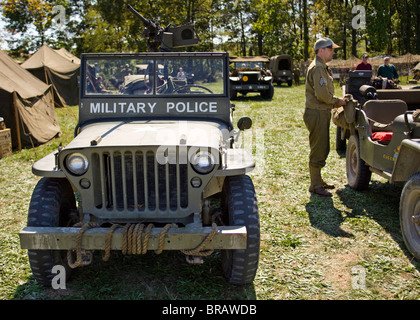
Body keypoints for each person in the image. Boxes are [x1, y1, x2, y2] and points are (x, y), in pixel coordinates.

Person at [303, 37, 346, 197]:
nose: (333, 52)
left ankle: (318, 181)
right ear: (321, 51)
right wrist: (338, 102)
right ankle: (315, 185)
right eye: (330, 49)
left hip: (320, 112)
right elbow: (322, 95)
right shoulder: (319, 68)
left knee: (323, 147)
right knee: (319, 148)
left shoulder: (321, 67)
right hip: (317, 112)